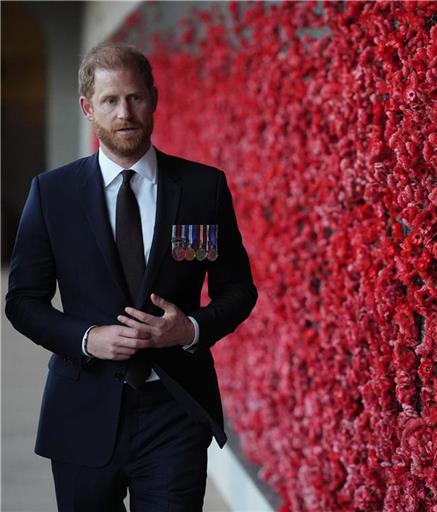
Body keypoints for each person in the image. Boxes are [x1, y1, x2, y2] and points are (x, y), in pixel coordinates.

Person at [5, 42, 257, 511]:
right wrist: (86, 338)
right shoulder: (51, 194)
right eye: (111, 100)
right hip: (82, 412)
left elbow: (238, 290)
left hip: (175, 410)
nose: (126, 112)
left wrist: (191, 328)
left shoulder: (204, 189)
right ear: (88, 108)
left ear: (154, 99)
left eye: (136, 98)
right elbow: (22, 301)